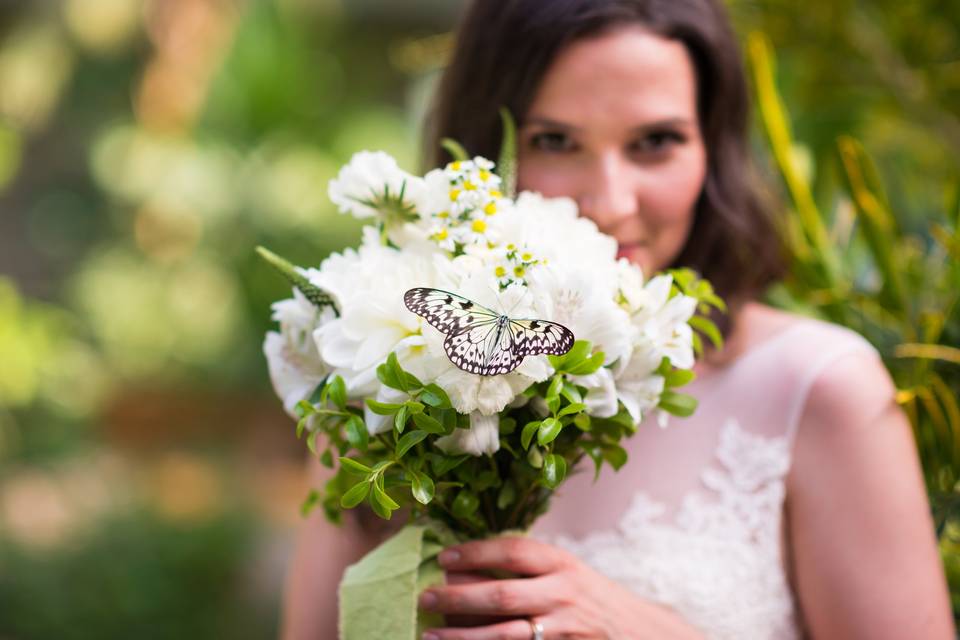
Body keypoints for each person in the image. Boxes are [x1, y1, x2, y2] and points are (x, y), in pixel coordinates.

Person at [281, 1, 954, 638]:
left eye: (655, 142)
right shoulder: (385, 388)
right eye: (555, 140)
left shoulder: (820, 389)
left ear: (712, 151)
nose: (608, 201)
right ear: (485, 156)